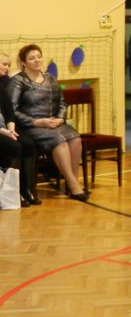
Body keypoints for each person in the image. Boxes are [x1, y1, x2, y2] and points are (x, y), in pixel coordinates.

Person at [8, 44, 88, 201]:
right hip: (33, 125)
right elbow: (13, 110)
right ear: (23, 63)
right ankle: (73, 185)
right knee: (59, 141)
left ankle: (73, 181)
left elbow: (62, 103)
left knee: (75, 138)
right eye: (32, 58)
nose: (37, 60)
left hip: (54, 123)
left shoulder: (50, 78)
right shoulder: (18, 81)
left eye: (39, 56)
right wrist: (37, 122)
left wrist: (60, 118)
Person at [1, 51, 39, 206]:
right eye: (4, 64)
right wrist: (4, 131)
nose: (7, 68)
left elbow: (9, 110)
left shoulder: (4, 82)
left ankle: (27, 189)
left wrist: (11, 126)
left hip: (6, 126)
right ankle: (12, 192)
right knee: (14, 147)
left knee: (28, 143)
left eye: (9, 65)